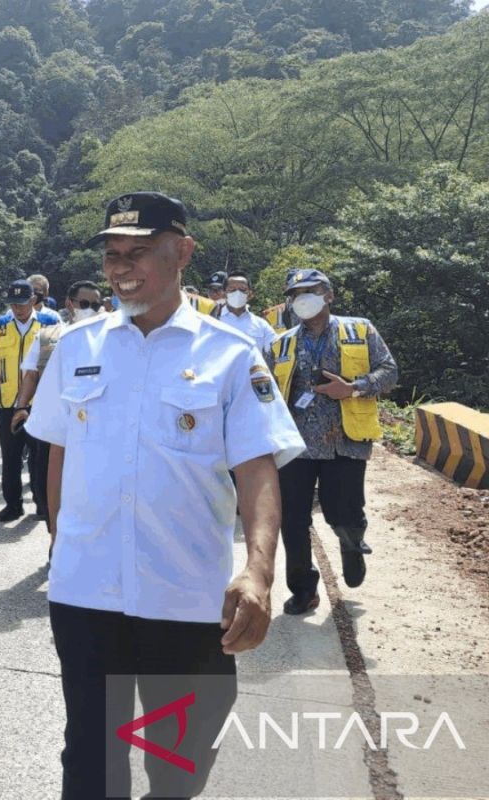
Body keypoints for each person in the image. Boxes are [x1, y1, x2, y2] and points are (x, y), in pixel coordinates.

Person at [27, 191, 305, 800]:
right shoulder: (76, 347)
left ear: (182, 252)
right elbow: (57, 452)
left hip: (184, 596)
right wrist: (59, 540)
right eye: (112, 255)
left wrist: (258, 572)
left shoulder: (229, 354)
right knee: (92, 754)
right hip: (87, 593)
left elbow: (257, 469)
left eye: (140, 252)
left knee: (179, 761)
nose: (122, 267)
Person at [267, 268, 398, 614]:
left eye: (311, 291)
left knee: (344, 512)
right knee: (292, 519)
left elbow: (390, 372)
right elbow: (265, 393)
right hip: (296, 445)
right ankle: (303, 589)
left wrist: (353, 387)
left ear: (329, 295)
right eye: (295, 294)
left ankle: (351, 543)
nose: (302, 299)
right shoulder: (280, 343)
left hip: (346, 441)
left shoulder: (360, 329)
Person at [0, 279, 61, 522]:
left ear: (33, 301)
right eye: (14, 304)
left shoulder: (50, 324)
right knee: (11, 456)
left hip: (40, 402)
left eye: (23, 303)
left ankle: (41, 504)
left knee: (40, 458)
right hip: (7, 403)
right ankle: (13, 505)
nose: (18, 308)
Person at [218, 271, 277, 355]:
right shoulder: (213, 320)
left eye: (242, 290)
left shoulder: (261, 325)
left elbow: (276, 351)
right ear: (223, 293)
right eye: (232, 289)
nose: (237, 293)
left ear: (250, 294)